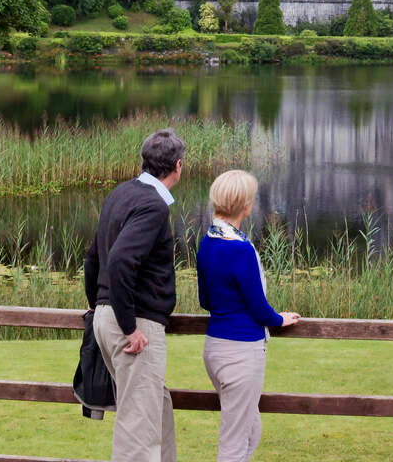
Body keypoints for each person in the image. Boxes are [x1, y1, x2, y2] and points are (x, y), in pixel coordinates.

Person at [85, 127, 185, 462]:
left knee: (158, 408)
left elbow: (92, 258)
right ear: (178, 166)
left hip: (108, 315)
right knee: (138, 430)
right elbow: (119, 260)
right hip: (133, 323)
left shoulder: (120, 194)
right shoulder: (154, 206)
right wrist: (128, 326)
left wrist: (98, 308)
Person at [197, 169, 300, 462]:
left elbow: (206, 300)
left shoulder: (207, 242)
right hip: (241, 353)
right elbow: (257, 306)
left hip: (215, 349)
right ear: (245, 205)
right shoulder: (240, 249)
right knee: (234, 441)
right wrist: (279, 319)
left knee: (251, 430)